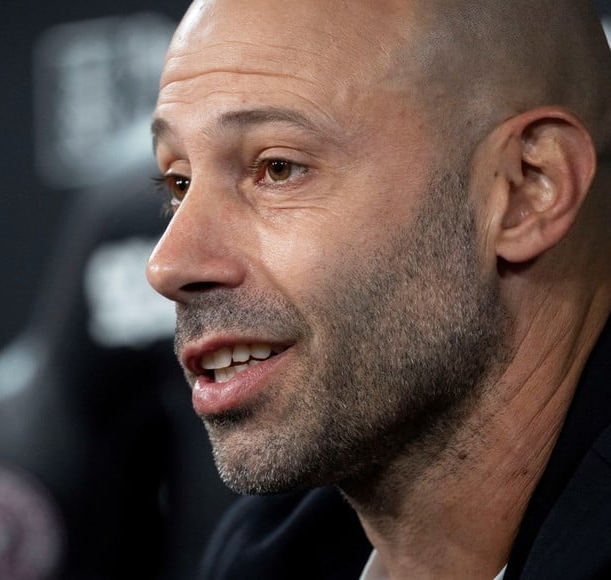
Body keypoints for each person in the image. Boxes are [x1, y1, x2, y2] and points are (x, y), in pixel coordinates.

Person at [144, 0, 611, 578]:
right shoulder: (263, 554)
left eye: (278, 168)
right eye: (179, 182)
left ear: (524, 190)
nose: (167, 265)